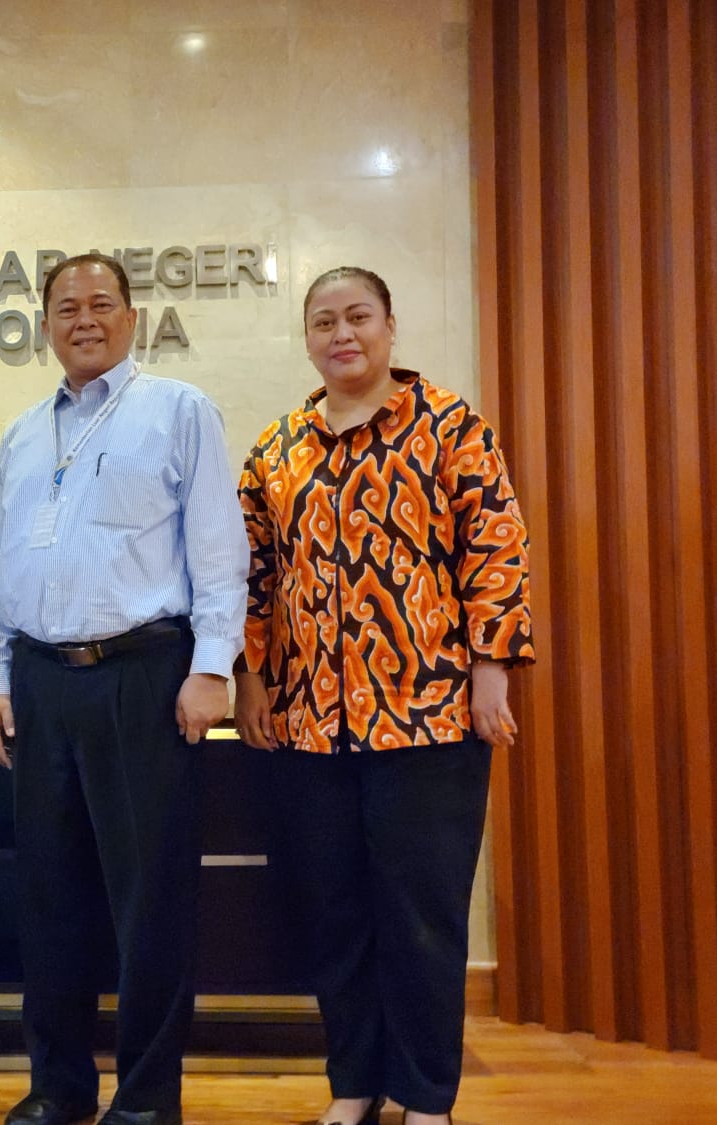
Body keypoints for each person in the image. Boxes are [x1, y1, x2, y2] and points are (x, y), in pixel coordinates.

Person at [233, 266, 534, 1125]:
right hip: (308, 726)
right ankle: (354, 1086)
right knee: (333, 913)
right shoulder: (277, 449)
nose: (343, 334)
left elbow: (496, 547)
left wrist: (491, 667)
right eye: (324, 321)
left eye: (358, 316)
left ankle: (426, 1095)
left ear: (390, 326)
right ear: (307, 338)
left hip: (428, 717)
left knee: (422, 916)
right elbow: (252, 574)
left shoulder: (450, 426)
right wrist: (250, 675)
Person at [0, 253, 248, 1125]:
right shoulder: (23, 434)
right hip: (41, 684)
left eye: (100, 304)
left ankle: (145, 1099)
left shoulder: (178, 409)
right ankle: (57, 1087)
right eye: (66, 307)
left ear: (131, 318)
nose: (84, 319)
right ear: (45, 325)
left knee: (149, 900)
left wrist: (213, 665)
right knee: (49, 896)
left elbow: (218, 548)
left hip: (143, 675)